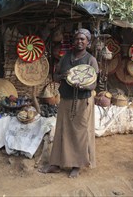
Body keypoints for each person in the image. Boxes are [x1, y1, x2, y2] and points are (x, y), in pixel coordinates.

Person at [39, 28, 99, 178]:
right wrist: (63, 76)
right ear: (73, 41)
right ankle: (55, 164)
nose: (79, 41)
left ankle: (76, 165)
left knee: (79, 133)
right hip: (66, 99)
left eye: (82, 39)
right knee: (62, 131)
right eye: (77, 39)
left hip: (82, 101)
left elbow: (93, 85)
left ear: (88, 42)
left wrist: (83, 86)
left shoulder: (91, 60)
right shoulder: (65, 57)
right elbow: (56, 76)